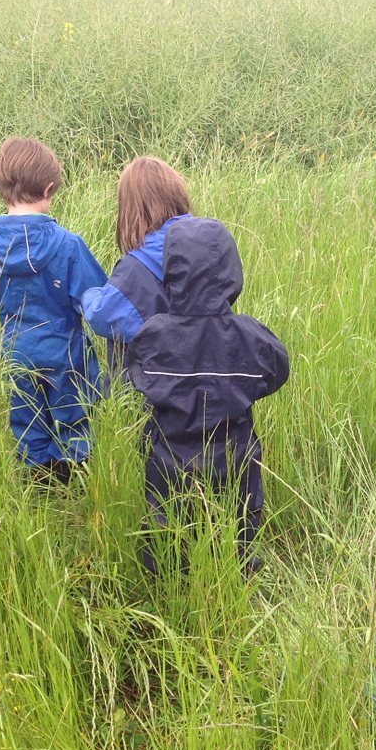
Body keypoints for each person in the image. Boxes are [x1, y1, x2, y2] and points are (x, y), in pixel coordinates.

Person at [126, 216, 289, 575]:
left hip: (167, 461)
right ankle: (239, 568)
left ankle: (167, 576)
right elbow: (278, 370)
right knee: (240, 519)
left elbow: (135, 376)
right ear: (231, 270)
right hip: (235, 458)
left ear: (171, 271)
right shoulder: (251, 337)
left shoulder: (152, 336)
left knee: (167, 522)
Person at [0, 137, 107, 485]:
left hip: (15, 349)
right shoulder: (68, 245)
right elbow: (94, 302)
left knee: (27, 418)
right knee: (74, 416)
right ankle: (74, 479)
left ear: (1, 188)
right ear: (48, 188)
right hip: (66, 352)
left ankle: (39, 483)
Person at [81, 157, 192, 368]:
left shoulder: (135, 268)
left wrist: (89, 294)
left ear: (132, 209)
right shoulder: (203, 250)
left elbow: (102, 314)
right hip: (193, 377)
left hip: (146, 385)